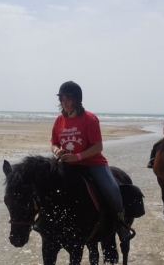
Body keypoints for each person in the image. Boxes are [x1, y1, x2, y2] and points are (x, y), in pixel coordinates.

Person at [50, 81, 134, 241]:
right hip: (68, 165)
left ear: (77, 100)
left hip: (93, 164)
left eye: (68, 98)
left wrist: (78, 157)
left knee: (112, 190)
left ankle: (121, 224)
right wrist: (57, 151)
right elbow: (53, 142)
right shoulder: (59, 120)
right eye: (62, 99)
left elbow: (98, 146)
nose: (64, 102)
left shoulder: (89, 119)